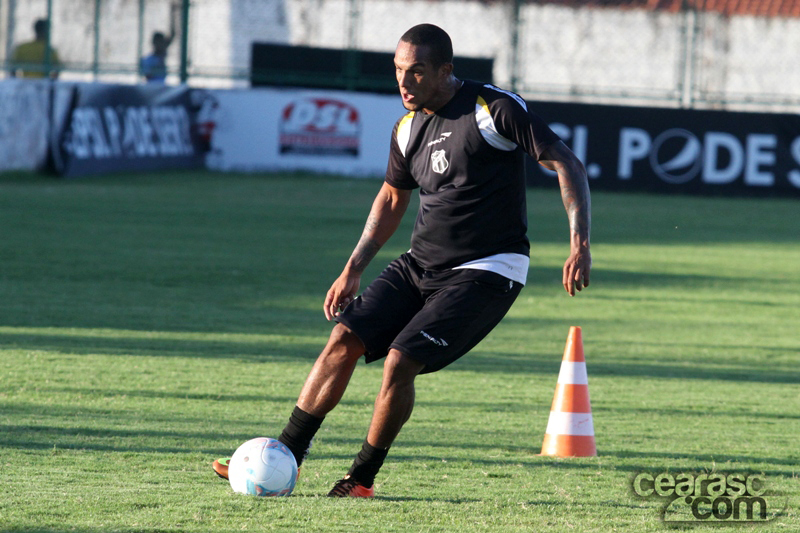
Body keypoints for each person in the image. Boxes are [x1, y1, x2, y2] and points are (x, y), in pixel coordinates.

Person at [213, 23, 591, 498]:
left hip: (488, 270)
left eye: (416, 72)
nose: (404, 82)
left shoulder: (492, 109)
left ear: (445, 71)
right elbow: (392, 199)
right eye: (398, 71)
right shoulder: (406, 128)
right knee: (342, 340)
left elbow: (565, 162)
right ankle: (283, 456)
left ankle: (361, 479)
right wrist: (353, 267)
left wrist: (579, 242)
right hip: (419, 266)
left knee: (399, 361)